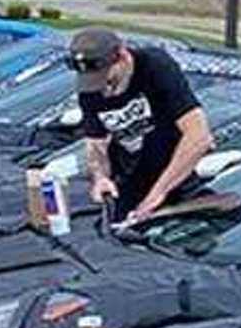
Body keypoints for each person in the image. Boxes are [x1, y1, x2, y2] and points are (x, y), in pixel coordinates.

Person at [66, 27, 213, 223]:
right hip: (129, 181)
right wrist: (100, 177)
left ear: (122, 56)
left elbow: (199, 137)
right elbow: (95, 143)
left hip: (176, 179)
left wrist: (157, 194)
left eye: (108, 79)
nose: (104, 89)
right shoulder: (90, 89)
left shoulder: (155, 67)